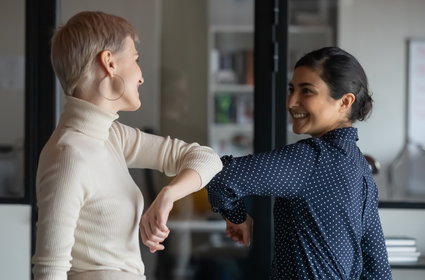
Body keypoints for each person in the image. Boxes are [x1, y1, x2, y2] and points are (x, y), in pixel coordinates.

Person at [31, 11, 222, 280]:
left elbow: (206, 158)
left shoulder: (111, 136)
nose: (141, 76)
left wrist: (168, 194)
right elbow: (50, 270)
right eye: (135, 59)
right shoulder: (68, 154)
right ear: (109, 62)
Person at [206, 47, 392, 279]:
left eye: (307, 91)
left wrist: (237, 217)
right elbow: (378, 270)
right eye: (291, 89)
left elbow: (220, 178)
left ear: (344, 102)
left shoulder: (312, 158)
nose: (291, 102)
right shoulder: (360, 167)